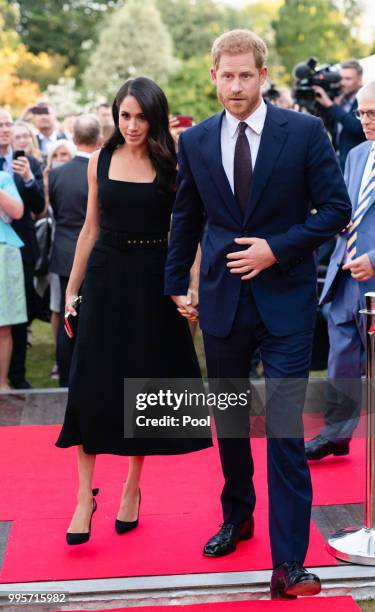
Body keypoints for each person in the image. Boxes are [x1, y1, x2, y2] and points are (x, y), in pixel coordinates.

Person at [164, 29, 351, 599]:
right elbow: (186, 217)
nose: (237, 85)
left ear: (263, 76)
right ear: (213, 76)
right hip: (221, 301)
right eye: (227, 75)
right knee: (230, 422)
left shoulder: (303, 132)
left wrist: (277, 247)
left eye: (247, 75)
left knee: (285, 429)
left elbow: (335, 209)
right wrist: (175, 283)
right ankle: (238, 514)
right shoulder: (195, 142)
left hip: (287, 304)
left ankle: (289, 564)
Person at [55, 78, 212, 545]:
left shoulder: (172, 165)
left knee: (141, 386)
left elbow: (189, 230)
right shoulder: (100, 160)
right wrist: (72, 289)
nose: (132, 125)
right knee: (90, 382)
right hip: (105, 278)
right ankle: (84, 496)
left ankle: (132, 487)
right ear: (114, 116)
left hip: (152, 281)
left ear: (155, 118)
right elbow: (89, 229)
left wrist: (191, 285)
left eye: (141, 117)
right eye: (124, 115)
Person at [306, 81, 375, 461]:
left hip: (373, 275)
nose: (365, 120)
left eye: (372, 113)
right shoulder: (357, 154)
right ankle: (336, 433)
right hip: (344, 271)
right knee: (342, 357)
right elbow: (346, 208)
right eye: (361, 112)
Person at [48, 117, 101, 386]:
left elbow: (55, 212)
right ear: (98, 138)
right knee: (93, 317)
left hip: (64, 251)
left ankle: (66, 376)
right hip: (93, 252)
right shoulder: (101, 170)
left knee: (67, 315)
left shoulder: (57, 174)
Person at [0, 108, 45, 389]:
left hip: (20, 246)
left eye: (7, 124)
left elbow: (39, 208)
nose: (5, 129)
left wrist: (28, 179)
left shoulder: (28, 163)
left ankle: (16, 375)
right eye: (0, 125)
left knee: (19, 313)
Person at [43, 139, 77, 380]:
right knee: (61, 308)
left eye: (66, 153)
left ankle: (68, 369)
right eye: (58, 153)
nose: (62, 157)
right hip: (62, 251)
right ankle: (62, 365)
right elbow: (46, 210)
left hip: (68, 251)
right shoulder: (53, 177)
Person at [314, 59, 366, 170]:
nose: (342, 83)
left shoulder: (366, 100)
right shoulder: (339, 99)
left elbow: (357, 127)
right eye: (340, 78)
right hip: (340, 164)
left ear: (360, 80)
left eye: (348, 79)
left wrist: (330, 105)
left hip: (359, 164)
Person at [0, 172, 26, 390]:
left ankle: (2, 382)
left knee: (3, 324)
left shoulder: (4, 178)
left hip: (4, 253)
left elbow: (17, 211)